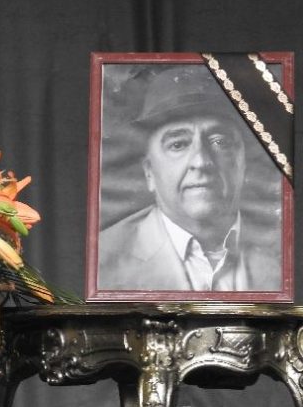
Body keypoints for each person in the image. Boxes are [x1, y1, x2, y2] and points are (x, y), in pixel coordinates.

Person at [98, 66, 281, 291]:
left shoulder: (285, 250)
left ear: (244, 163)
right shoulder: (103, 259)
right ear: (149, 172)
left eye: (220, 142)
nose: (201, 162)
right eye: (178, 144)